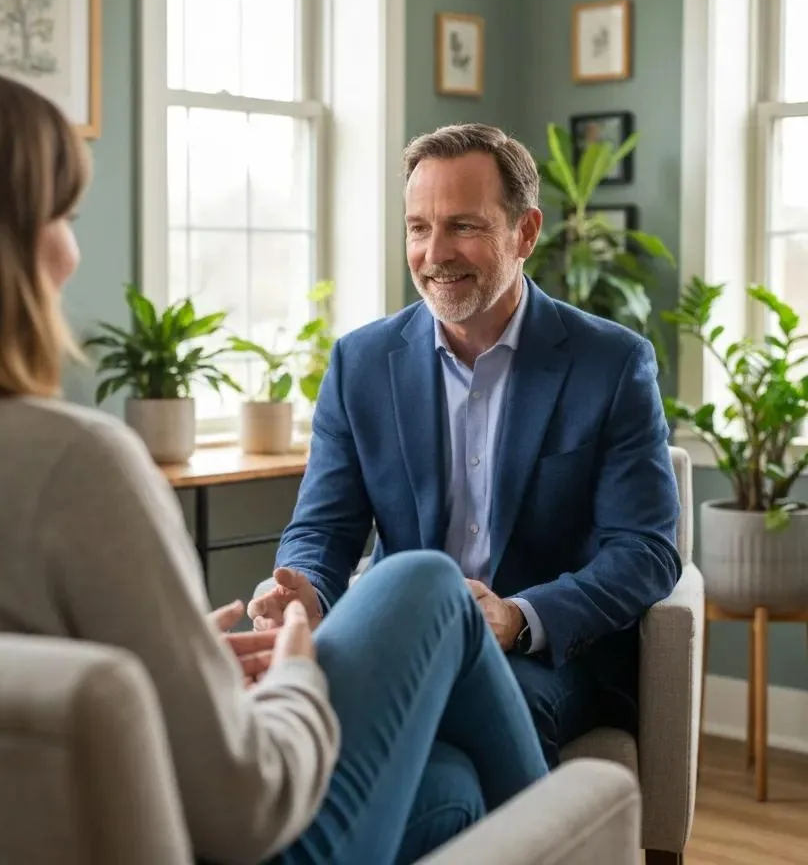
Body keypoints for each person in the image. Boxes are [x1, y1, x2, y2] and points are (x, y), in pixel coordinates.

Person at [0, 59, 549, 865]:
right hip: (231, 840)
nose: (71, 255)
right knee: (419, 581)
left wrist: (162, 679)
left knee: (453, 785)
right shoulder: (71, 468)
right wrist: (295, 678)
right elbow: (244, 809)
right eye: (61, 215)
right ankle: (585, 826)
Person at [249, 122, 683, 766]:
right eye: (419, 228)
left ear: (525, 233)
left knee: (461, 709)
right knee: (248, 683)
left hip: (541, 656)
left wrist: (516, 616)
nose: (435, 252)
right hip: (397, 633)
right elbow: (324, 526)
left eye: (464, 226)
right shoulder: (360, 363)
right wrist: (306, 588)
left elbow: (645, 551)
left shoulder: (611, 363)